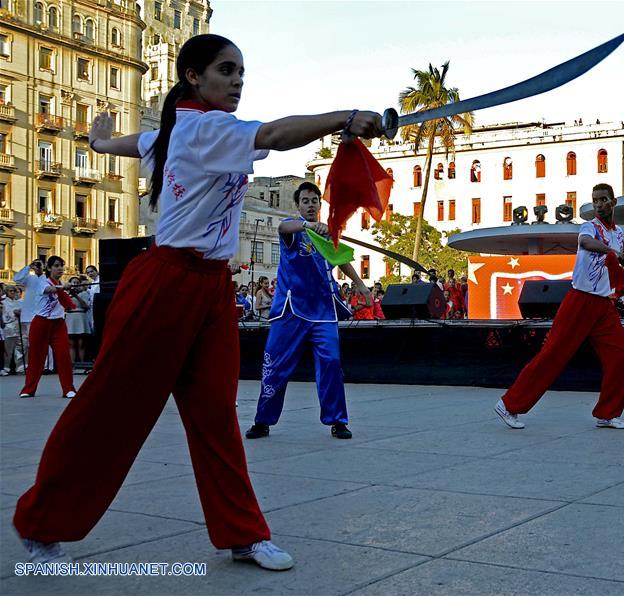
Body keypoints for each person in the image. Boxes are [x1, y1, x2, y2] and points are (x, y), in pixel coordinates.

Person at [13, 34, 383, 568]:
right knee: (112, 407)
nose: (236, 81)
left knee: (215, 413)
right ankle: (41, 521)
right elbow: (276, 134)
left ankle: (242, 531)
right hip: (164, 283)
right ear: (193, 76)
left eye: (241, 73)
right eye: (226, 70)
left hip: (210, 287)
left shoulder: (185, 129)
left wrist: (100, 144)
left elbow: (142, 141)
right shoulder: (206, 128)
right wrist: (344, 117)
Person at [494, 183, 624, 430]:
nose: (599, 204)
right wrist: (611, 251)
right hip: (580, 301)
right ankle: (509, 405)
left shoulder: (619, 234)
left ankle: (607, 413)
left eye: (604, 199)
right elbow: (586, 244)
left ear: (613, 202)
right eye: (595, 200)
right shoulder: (589, 227)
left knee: (622, 356)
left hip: (603, 306)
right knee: (553, 354)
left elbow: (614, 271)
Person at [245, 182, 370, 441]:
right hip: (291, 310)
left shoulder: (328, 233)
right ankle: (263, 420)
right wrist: (309, 225)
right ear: (298, 205)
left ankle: (337, 420)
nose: (311, 204)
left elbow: (341, 259)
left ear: (319, 205)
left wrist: (360, 285)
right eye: (305, 201)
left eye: (315, 200)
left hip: (323, 310)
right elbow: (282, 227)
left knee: (331, 364)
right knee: (275, 366)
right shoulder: (294, 228)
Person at [18, 256, 77, 399]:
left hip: (58, 324)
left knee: (63, 356)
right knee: (36, 358)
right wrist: (61, 287)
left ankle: (68, 389)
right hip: (41, 323)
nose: (60, 269)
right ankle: (28, 389)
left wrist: (63, 286)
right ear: (49, 268)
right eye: (56, 266)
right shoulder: (41, 281)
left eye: (62, 266)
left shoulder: (60, 283)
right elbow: (49, 290)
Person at [1, 285, 24, 375]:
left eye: (14, 291)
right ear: (6, 292)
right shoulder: (3, 303)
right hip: (8, 328)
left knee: (19, 348)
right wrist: (14, 314)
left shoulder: (18, 303)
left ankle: (20, 367)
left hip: (18, 327)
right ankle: (6, 368)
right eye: (11, 291)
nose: (13, 293)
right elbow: (5, 316)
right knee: (8, 349)